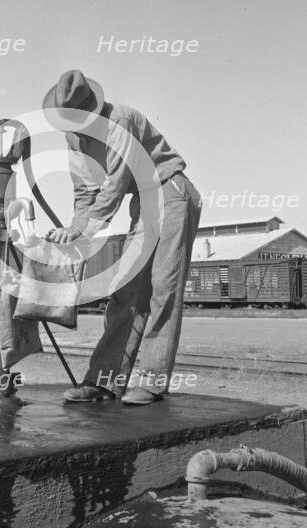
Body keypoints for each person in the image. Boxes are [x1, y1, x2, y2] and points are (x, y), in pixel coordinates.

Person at [43, 70, 201, 405]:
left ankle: (153, 383)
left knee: (163, 289)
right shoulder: (74, 138)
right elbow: (85, 191)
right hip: (142, 202)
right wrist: (75, 229)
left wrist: (86, 228)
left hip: (170, 191)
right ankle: (102, 382)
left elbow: (114, 184)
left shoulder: (119, 121)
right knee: (125, 292)